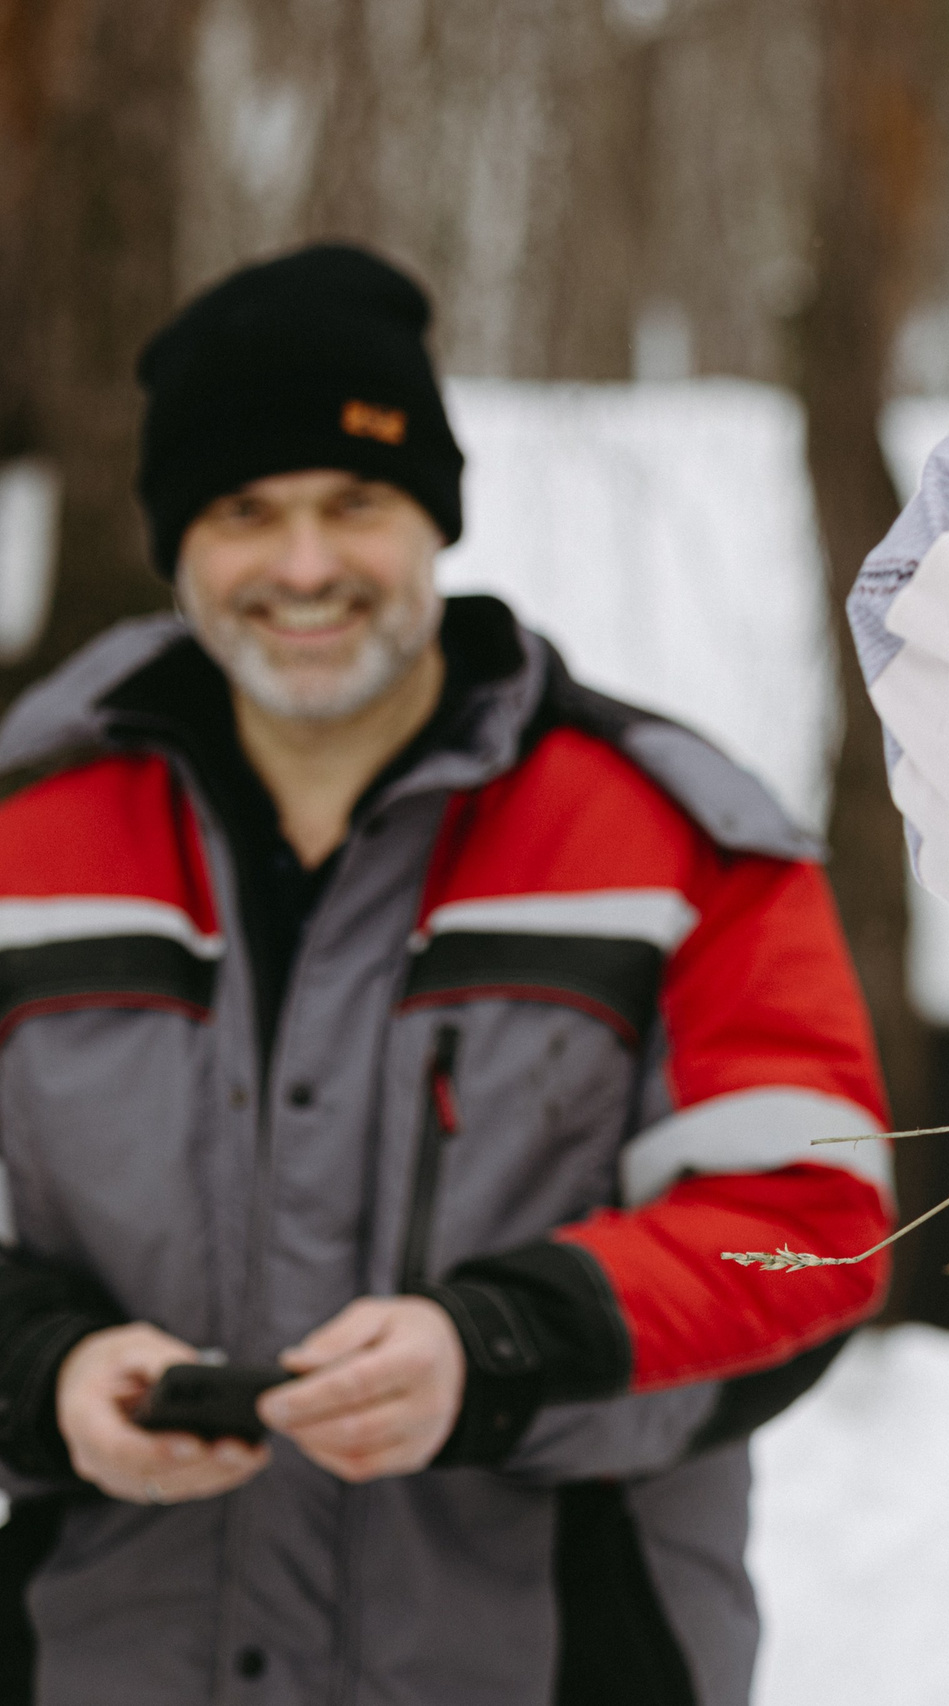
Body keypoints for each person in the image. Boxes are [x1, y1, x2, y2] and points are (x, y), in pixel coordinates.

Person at [0, 244, 895, 1704]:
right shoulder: (20, 839)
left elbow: (813, 1223)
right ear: (176, 542)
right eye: (245, 512)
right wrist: (41, 1375)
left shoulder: (679, 839)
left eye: (355, 502)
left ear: (435, 519)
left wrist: (500, 1349)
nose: (303, 567)